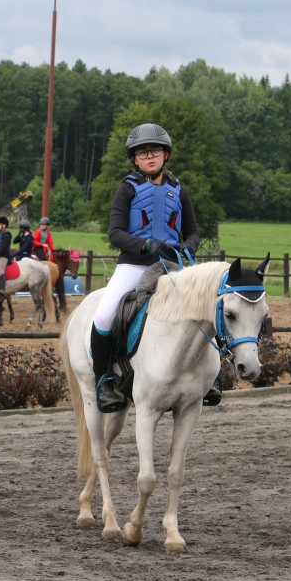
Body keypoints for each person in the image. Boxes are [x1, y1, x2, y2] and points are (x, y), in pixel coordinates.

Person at [91, 123, 200, 413]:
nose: (149, 156)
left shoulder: (180, 191)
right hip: (134, 265)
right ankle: (104, 380)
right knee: (103, 315)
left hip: (173, 265)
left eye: (154, 151)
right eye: (142, 153)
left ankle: (209, 377)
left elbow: (193, 232)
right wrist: (144, 245)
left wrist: (188, 248)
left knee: (206, 308)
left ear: (165, 154)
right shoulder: (127, 189)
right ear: (135, 160)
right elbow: (115, 233)